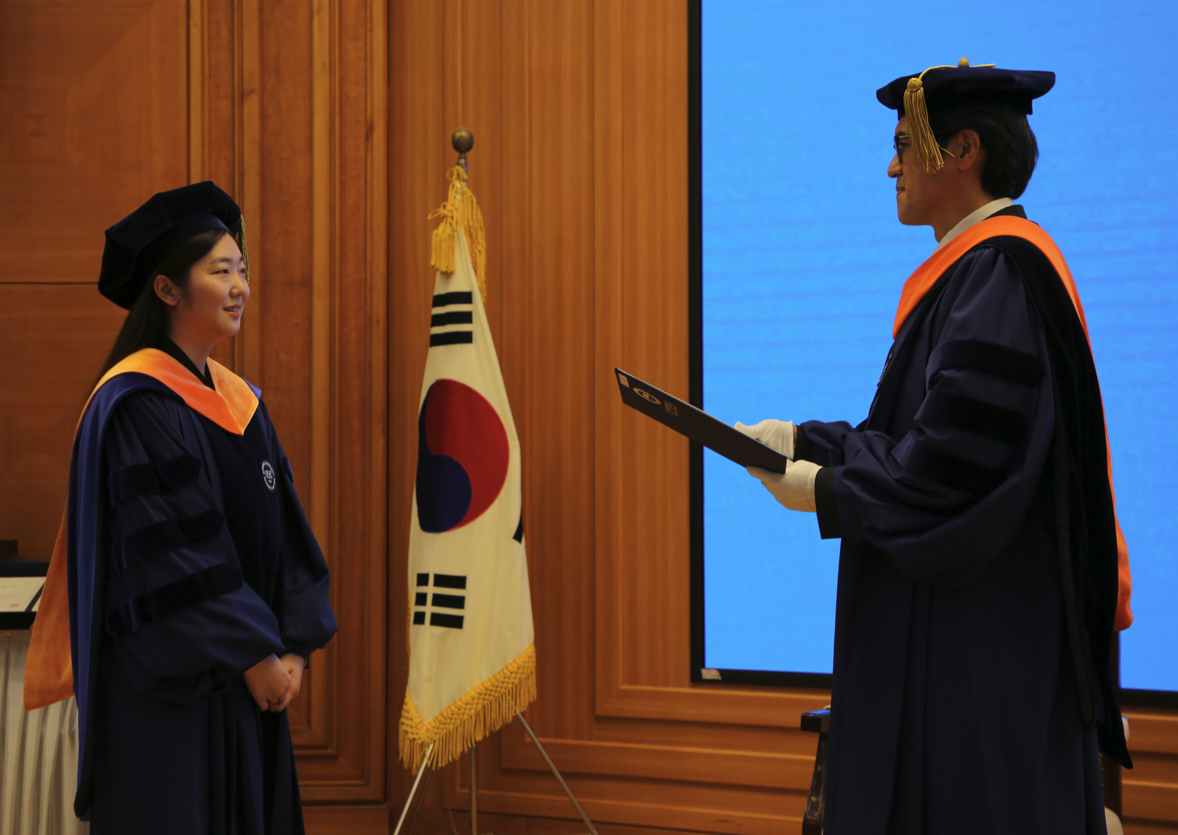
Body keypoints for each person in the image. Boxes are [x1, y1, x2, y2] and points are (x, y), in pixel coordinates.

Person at [737, 61, 1133, 833]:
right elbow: (922, 439)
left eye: (901, 145)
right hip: (974, 632)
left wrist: (824, 489)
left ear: (963, 150)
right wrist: (804, 441)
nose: (892, 168)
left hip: (981, 646)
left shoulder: (999, 273)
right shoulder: (981, 272)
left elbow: (953, 468)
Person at [24, 182, 338, 834]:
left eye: (242, 270)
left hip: (254, 689)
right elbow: (173, 561)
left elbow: (288, 537)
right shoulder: (135, 405)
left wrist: (294, 649)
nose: (239, 287)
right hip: (174, 707)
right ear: (167, 289)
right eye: (220, 271)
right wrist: (255, 654)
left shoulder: (243, 405)